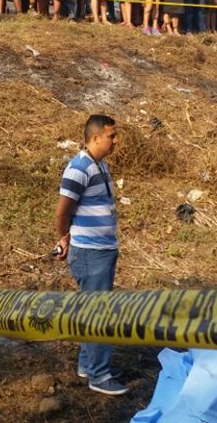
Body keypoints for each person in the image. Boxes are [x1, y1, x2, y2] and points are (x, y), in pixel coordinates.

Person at [54, 114, 128, 396]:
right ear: (95, 137)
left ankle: (88, 364)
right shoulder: (79, 168)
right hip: (91, 254)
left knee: (91, 309)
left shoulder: (100, 164)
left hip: (103, 251)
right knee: (98, 314)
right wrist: (64, 237)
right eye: (111, 135)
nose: (115, 140)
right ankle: (99, 375)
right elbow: (62, 211)